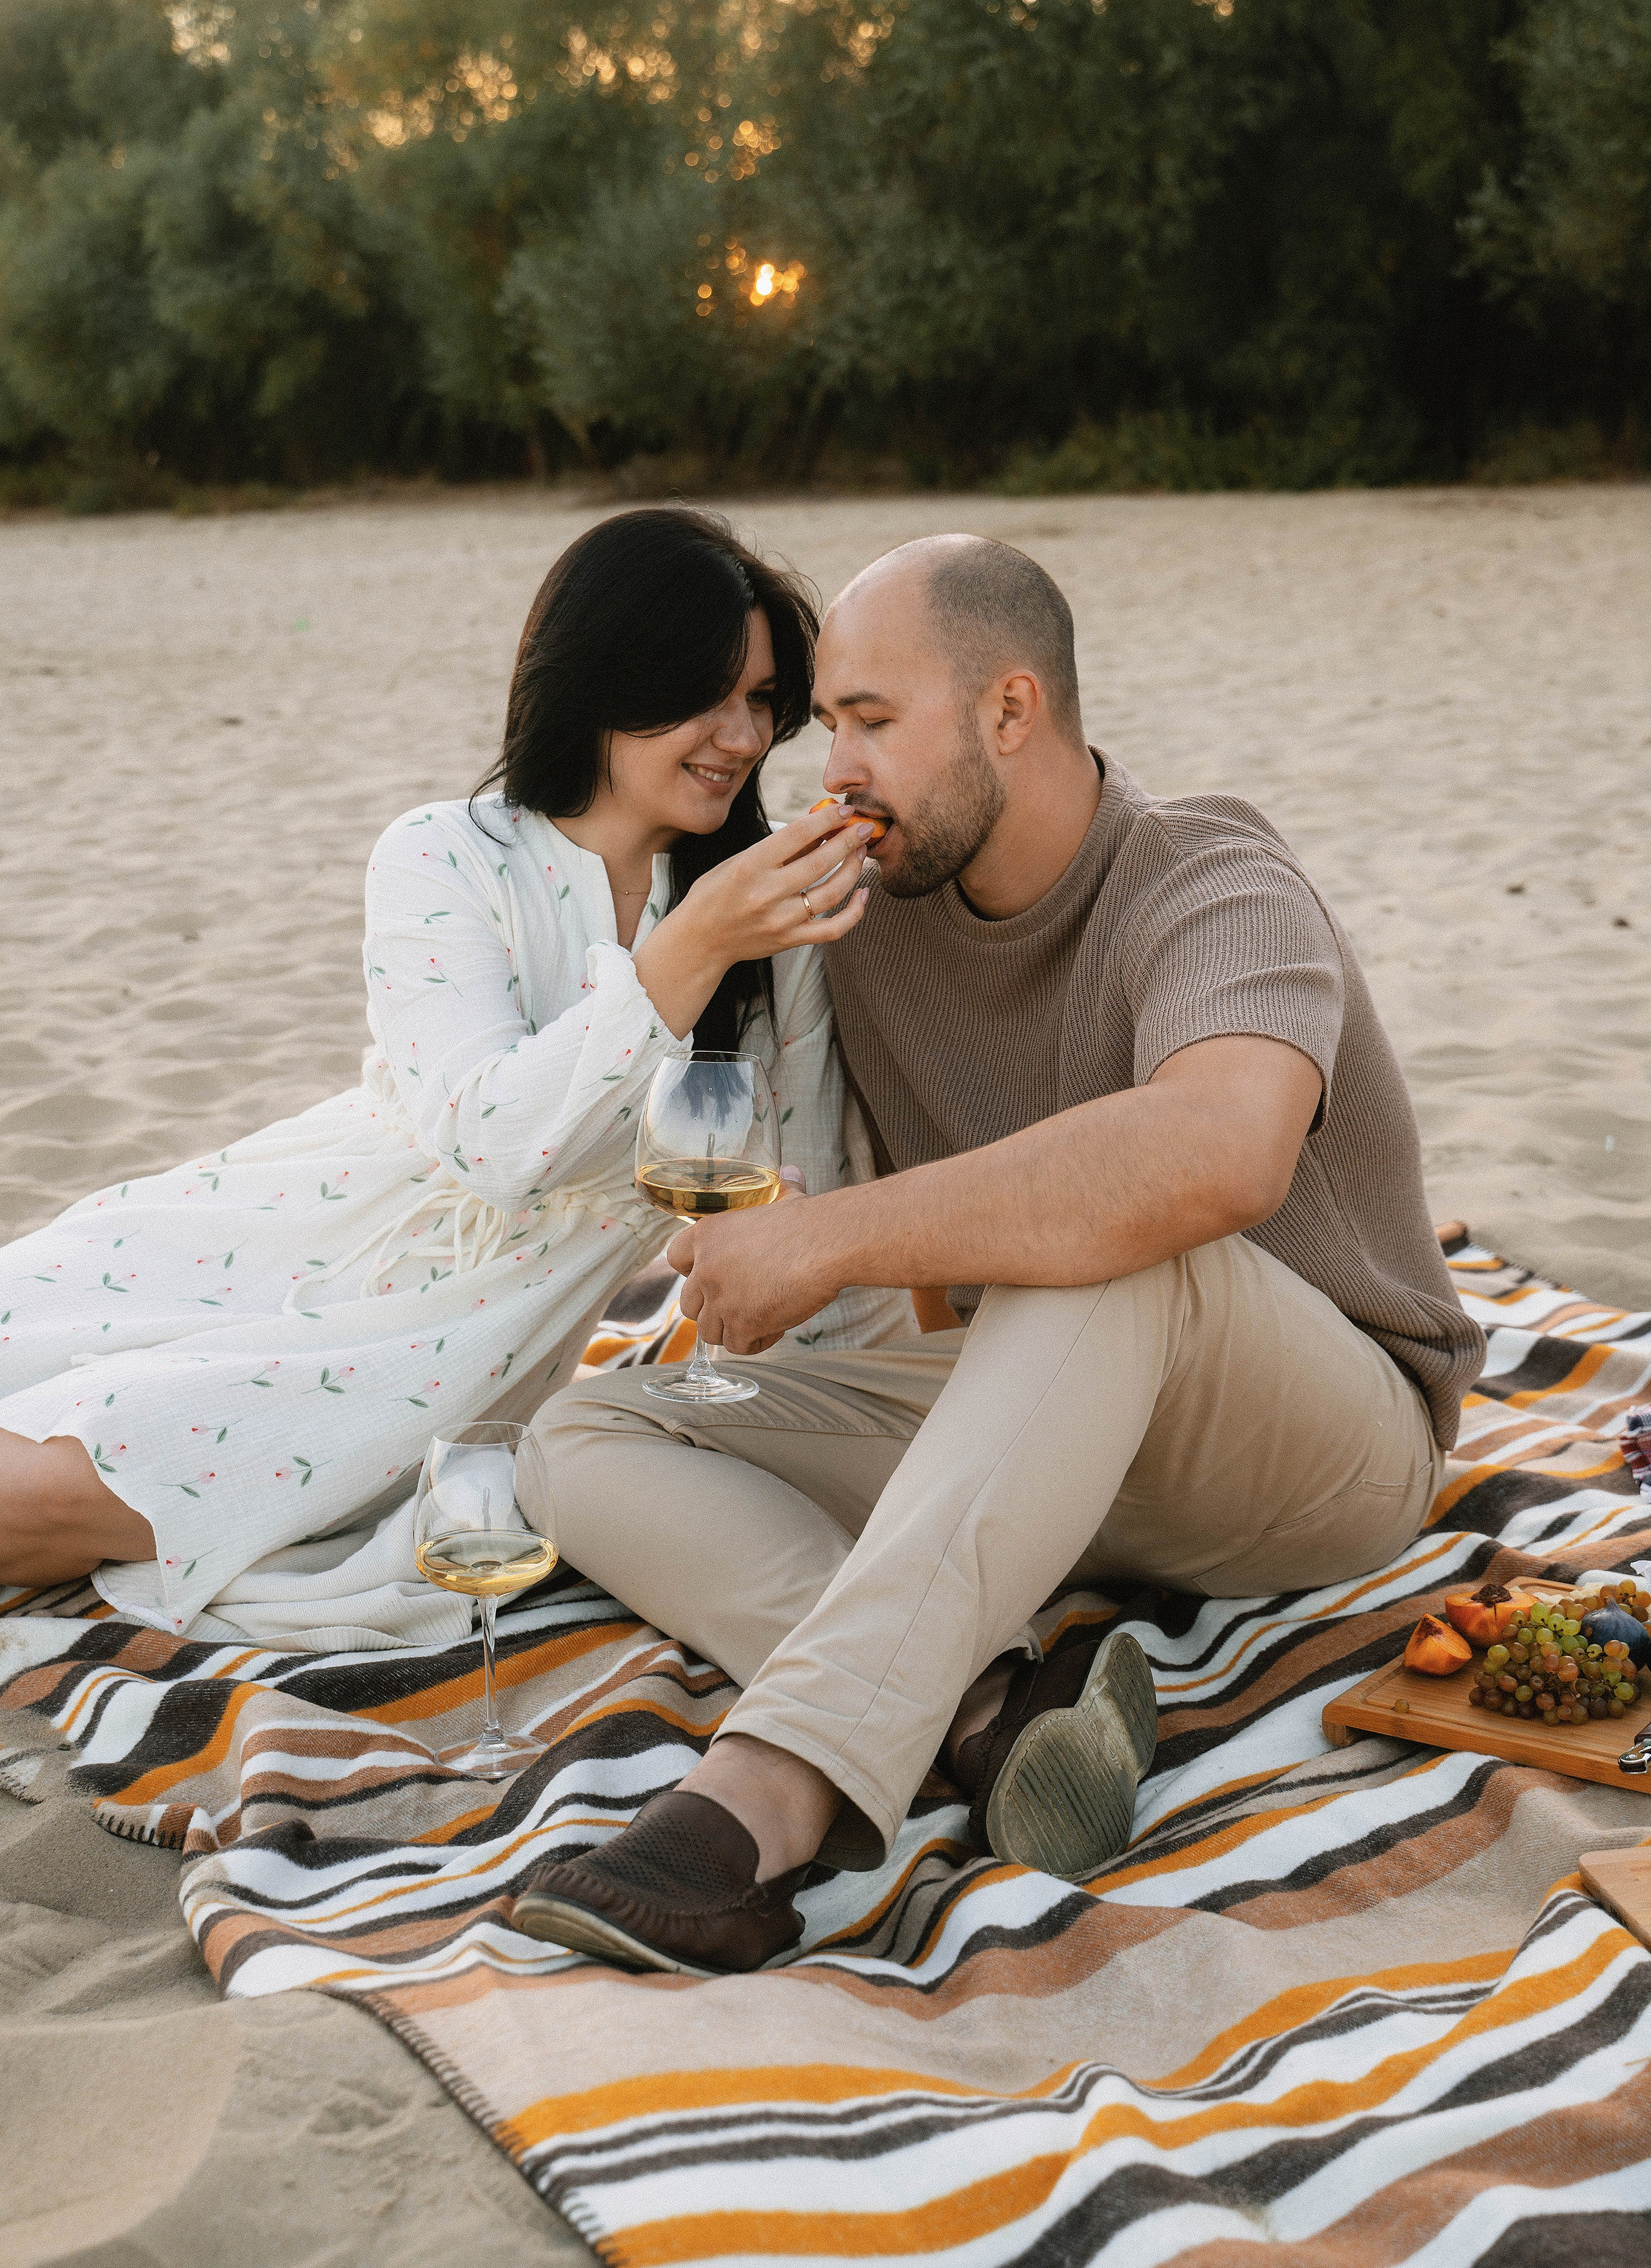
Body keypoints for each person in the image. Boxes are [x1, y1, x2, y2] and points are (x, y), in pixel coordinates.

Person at [510, 531, 1487, 1975]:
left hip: (1318, 1456)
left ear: (1008, 713)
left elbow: (1216, 1155)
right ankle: (985, 1705)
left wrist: (828, 1241)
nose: (827, 766)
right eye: (823, 722)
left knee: (1117, 1238)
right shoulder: (870, 921)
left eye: (867, 722)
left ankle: (772, 1794)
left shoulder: (1209, 881)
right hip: (1052, 1437)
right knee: (585, 1430)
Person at [0, 508, 906, 1650]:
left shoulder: (768, 908)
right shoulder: (442, 855)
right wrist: (692, 948)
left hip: (460, 1348)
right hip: (298, 1229)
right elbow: (491, 1142)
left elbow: (812, 1187)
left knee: (35, 1503)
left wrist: (861, 1431)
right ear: (599, 681)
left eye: (764, 701)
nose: (740, 735)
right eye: (703, 693)